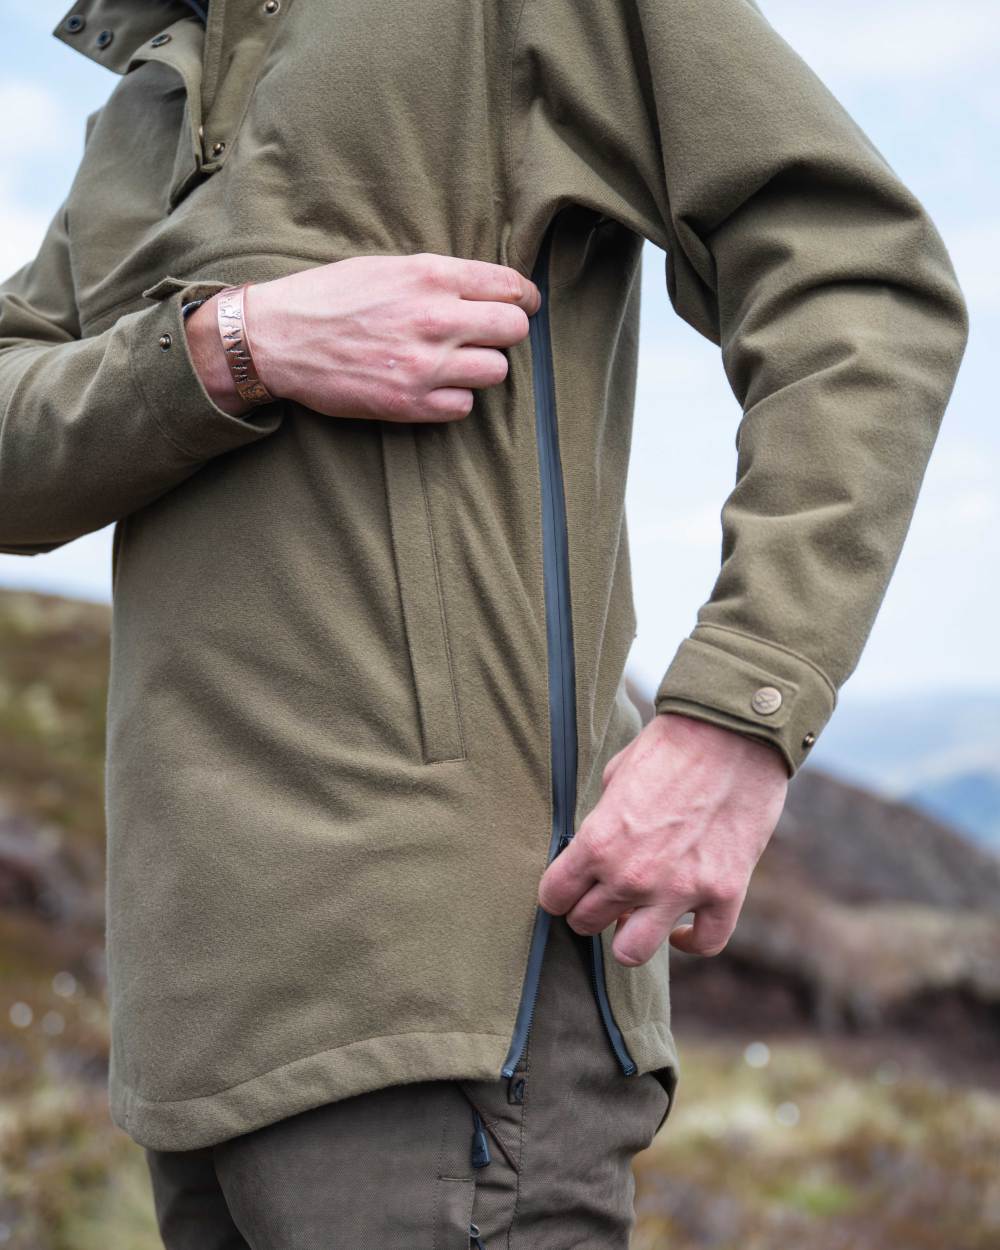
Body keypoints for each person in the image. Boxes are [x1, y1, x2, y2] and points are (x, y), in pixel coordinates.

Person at [0, 0, 968, 1245]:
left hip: (447, 1007)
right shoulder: (146, 93)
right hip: (193, 1037)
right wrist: (234, 344)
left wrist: (743, 709)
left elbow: (861, 278)